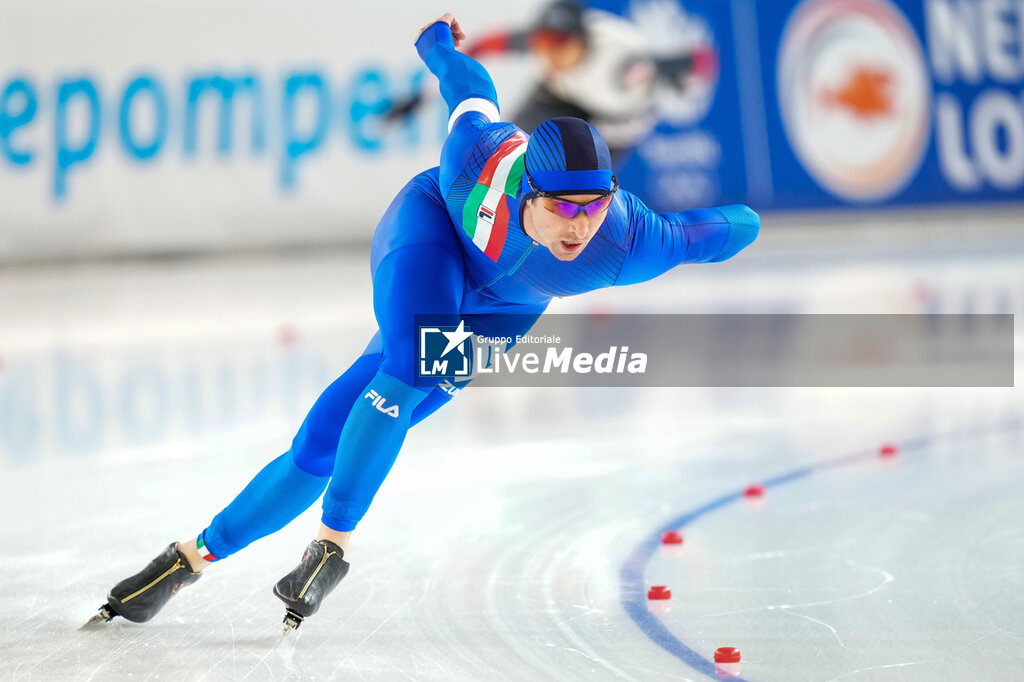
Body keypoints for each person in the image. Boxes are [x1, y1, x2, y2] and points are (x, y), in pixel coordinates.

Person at [86, 12, 759, 631]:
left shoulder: (626, 238)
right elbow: (469, 85)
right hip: (432, 231)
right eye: (564, 207)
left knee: (323, 446)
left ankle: (188, 559)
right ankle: (334, 549)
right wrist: (438, 44)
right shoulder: (476, 158)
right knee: (406, 367)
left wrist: (743, 226)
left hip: (505, 311)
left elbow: (710, 231)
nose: (580, 226)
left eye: (595, 206)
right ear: (529, 190)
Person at [386, 1, 718, 161]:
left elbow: (699, 60)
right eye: (545, 44)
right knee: (504, 148)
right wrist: (422, 97)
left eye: (560, 47)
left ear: (583, 42)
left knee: (582, 182)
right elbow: (479, 48)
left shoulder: (622, 61)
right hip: (564, 93)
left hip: (615, 119)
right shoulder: (547, 44)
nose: (550, 55)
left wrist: (682, 78)